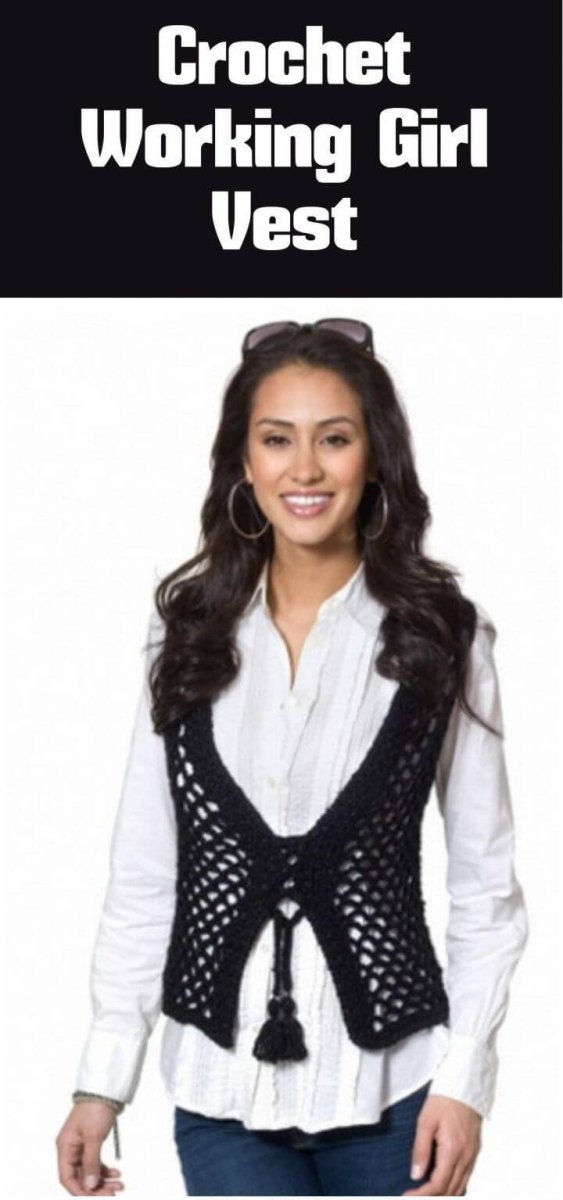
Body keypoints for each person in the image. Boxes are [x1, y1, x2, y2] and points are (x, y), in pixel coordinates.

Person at [56, 319, 528, 1197]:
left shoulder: (441, 636)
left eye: (334, 439)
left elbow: (485, 887)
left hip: (394, 1097)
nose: (303, 470)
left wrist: (464, 1083)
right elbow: (145, 873)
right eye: (277, 439)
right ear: (243, 460)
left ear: (374, 456)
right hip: (220, 1097)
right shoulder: (186, 633)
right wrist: (101, 1080)